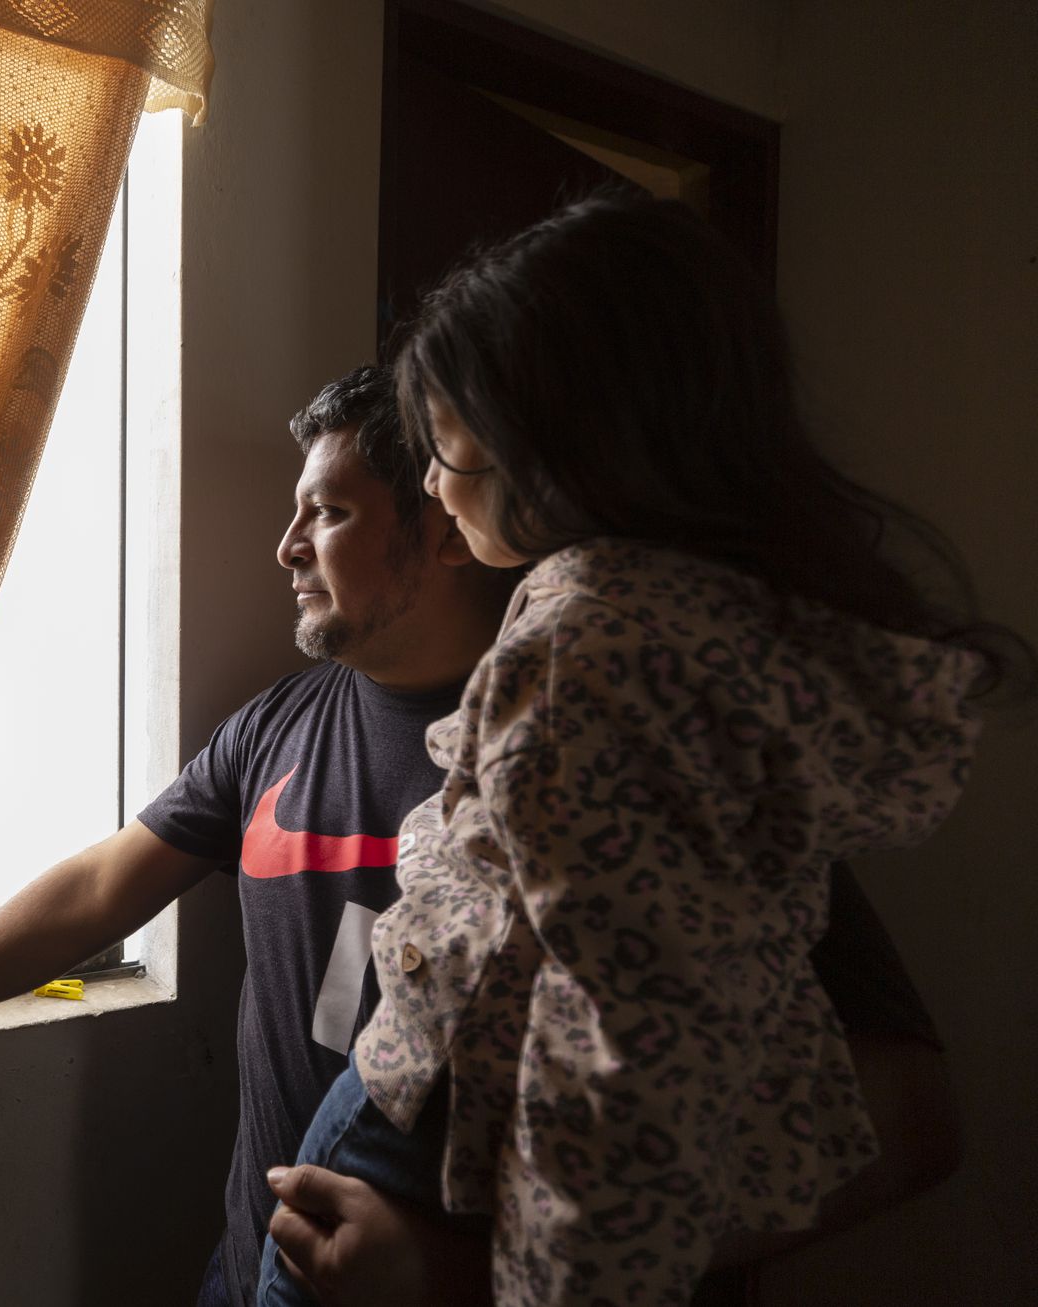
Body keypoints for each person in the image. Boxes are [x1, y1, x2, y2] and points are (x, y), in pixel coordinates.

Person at [0, 361, 963, 1307]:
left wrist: (465, 1274)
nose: (286, 546)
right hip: (252, 1269)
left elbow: (909, 1127)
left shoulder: (610, 755)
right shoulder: (277, 723)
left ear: (447, 527)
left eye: (331, 510)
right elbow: (106, 883)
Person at [257, 192, 1025, 1307]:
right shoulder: (721, 624)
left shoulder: (580, 653)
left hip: (426, 1150)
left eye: (447, 453)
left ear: (554, 440)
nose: (430, 483)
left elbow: (613, 1039)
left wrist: (490, 1282)